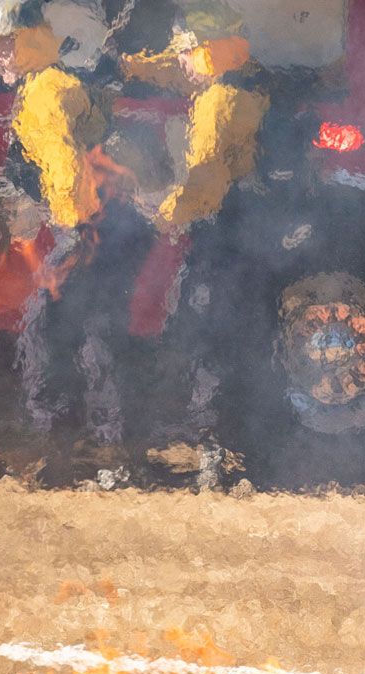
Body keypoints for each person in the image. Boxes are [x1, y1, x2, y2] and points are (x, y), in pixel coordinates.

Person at [0, 0, 156, 486]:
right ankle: (113, 457)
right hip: (108, 227)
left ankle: (59, 457)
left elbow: (63, 168)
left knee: (47, 334)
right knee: (97, 337)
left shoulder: (45, 94)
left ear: (25, 43)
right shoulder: (55, 83)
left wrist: (71, 239)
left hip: (91, 228)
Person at [120, 0, 270, 490]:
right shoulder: (251, 84)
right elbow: (173, 67)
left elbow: (204, 185)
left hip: (220, 240)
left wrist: (157, 215)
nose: (181, 61)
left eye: (187, 51)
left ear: (211, 50)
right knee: (237, 341)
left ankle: (213, 454)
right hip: (251, 238)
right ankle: (235, 449)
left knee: (207, 341)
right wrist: (127, 64)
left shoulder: (218, 103)